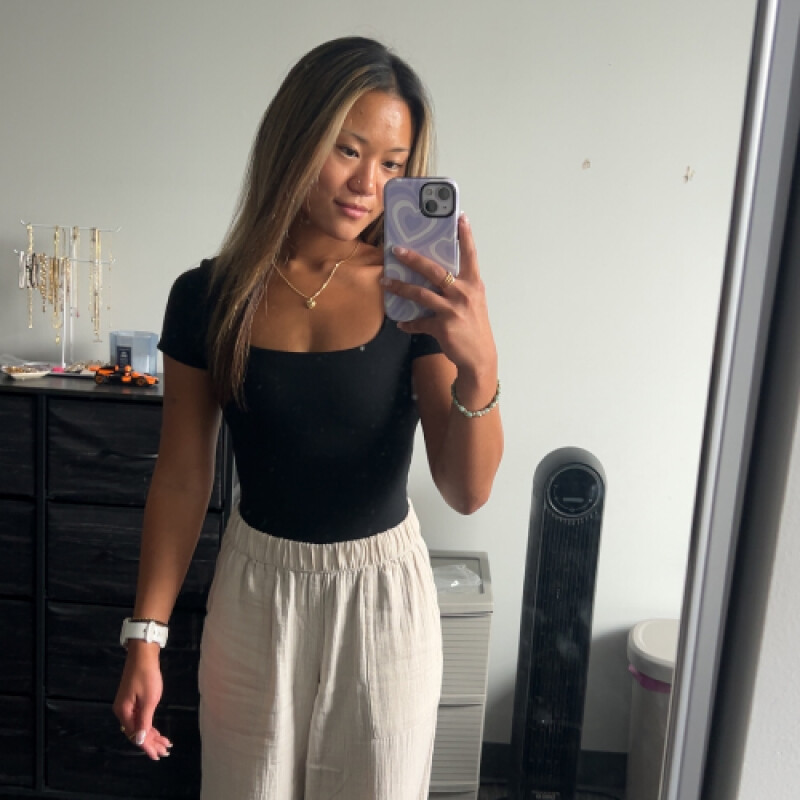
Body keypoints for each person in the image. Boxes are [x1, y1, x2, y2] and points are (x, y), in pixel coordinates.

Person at [113, 36, 503, 800]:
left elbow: (466, 490)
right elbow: (184, 477)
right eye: (347, 150)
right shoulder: (207, 296)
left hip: (383, 601)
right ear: (295, 139)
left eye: (392, 164)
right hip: (253, 594)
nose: (367, 184)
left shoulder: (415, 295)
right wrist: (145, 636)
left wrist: (481, 365)